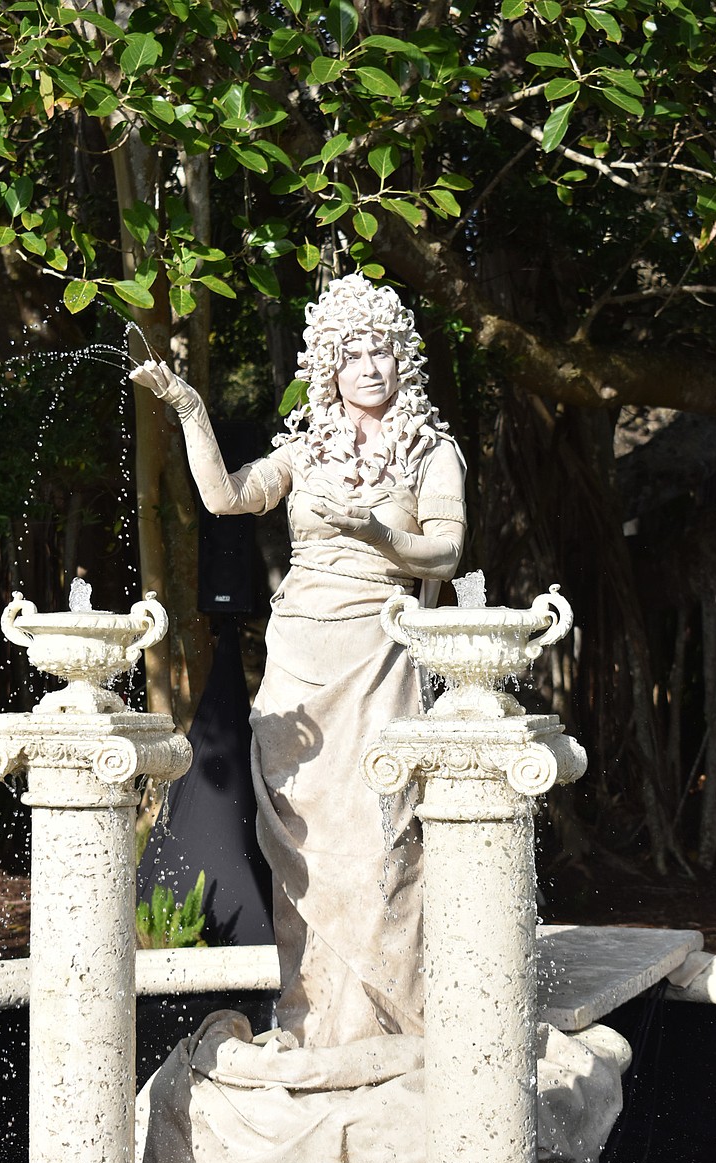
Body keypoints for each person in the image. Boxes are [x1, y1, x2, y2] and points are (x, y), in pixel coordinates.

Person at [131, 272, 466, 1049]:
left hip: (380, 652)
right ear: (329, 367)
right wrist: (189, 407)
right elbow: (225, 497)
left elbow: (447, 553)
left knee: (384, 840)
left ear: (401, 361)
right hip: (300, 664)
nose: (370, 367)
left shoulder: (429, 450)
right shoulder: (304, 451)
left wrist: (381, 535)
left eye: (382, 351)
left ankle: (394, 1022)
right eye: (352, 355)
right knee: (304, 848)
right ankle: (309, 1013)